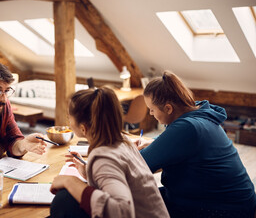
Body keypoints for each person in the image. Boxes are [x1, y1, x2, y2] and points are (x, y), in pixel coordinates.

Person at [140, 70, 256, 218]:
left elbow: (140, 163)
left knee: (136, 200)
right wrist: (155, 144)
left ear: (168, 108)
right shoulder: (200, 115)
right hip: (238, 202)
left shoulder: (188, 128)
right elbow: (178, 143)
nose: (150, 113)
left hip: (224, 210)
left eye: (152, 109)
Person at [49, 87, 169, 218]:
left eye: (69, 118)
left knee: (63, 200)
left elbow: (123, 211)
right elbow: (120, 175)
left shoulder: (104, 158)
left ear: (83, 128)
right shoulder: (123, 140)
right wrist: (88, 171)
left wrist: (71, 182)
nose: (69, 122)